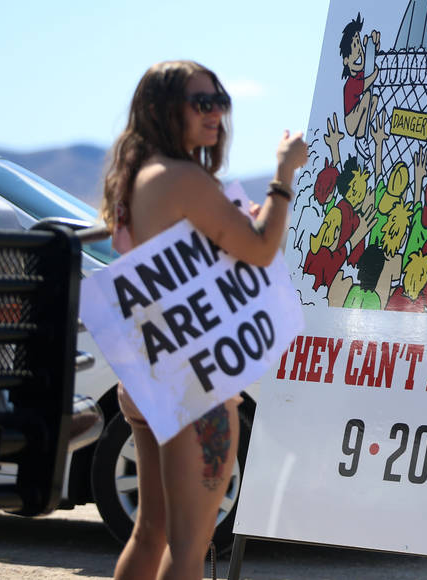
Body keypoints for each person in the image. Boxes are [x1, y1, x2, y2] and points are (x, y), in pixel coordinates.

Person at [100, 60, 308, 580]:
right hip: (194, 381)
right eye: (201, 103)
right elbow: (260, 249)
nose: (216, 113)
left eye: (220, 102)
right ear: (164, 109)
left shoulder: (135, 178)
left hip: (148, 374)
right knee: (189, 547)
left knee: (150, 532)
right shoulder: (182, 178)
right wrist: (284, 175)